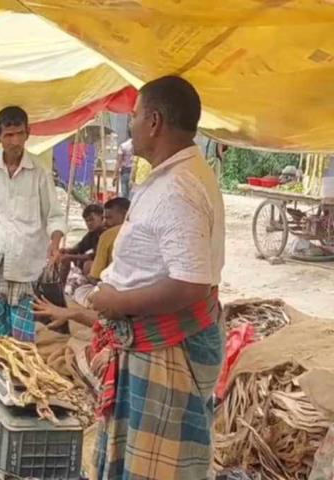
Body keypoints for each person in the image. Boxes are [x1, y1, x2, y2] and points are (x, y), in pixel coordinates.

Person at [88, 76, 225, 480]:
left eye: (133, 116)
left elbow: (191, 284)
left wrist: (118, 303)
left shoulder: (179, 188)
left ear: (154, 121)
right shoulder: (172, 175)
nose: (129, 125)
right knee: (139, 460)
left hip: (166, 345)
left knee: (158, 468)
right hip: (149, 342)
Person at [0, 106, 65, 342]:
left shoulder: (40, 171)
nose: (14, 141)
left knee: (22, 334)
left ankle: (21, 376)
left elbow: (54, 215)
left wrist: (55, 245)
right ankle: (0, 373)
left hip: (27, 260)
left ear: (28, 133)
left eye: (19, 134)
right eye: (8, 135)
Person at [87, 197, 130, 282]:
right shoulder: (147, 232)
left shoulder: (107, 235)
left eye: (109, 218)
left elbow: (95, 276)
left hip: (116, 286)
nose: (105, 223)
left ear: (125, 215)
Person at [60, 203, 105, 273]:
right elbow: (80, 247)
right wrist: (66, 251)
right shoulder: (92, 233)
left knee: (88, 264)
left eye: (92, 220)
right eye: (87, 221)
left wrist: (70, 256)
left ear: (102, 218)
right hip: (97, 262)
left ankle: (92, 282)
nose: (89, 223)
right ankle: (61, 283)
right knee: (67, 257)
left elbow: (93, 256)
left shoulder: (106, 233)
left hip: (107, 266)